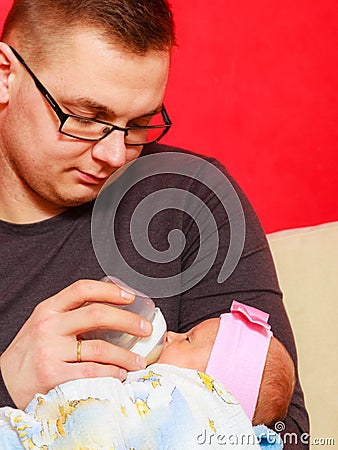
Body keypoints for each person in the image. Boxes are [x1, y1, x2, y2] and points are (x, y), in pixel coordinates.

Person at [0, 0, 308, 446]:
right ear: (6, 75)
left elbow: (284, 432)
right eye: (86, 118)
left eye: (139, 124)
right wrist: (8, 383)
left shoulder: (189, 198)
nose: (115, 155)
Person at [0, 301, 290, 449]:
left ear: (211, 382)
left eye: (188, 339)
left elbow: (100, 417)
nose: (171, 336)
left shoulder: (172, 400)